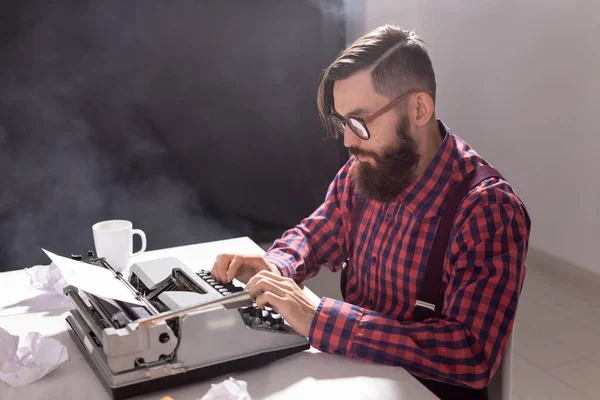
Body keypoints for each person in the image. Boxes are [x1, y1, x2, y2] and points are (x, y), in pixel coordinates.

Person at [211, 24, 530, 399]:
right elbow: (316, 235)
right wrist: (275, 266)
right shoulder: (365, 168)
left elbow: (470, 354)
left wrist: (319, 318)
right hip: (358, 379)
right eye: (342, 123)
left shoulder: (487, 209)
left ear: (420, 108)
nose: (347, 140)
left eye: (359, 122)